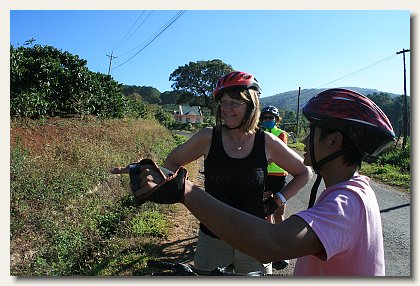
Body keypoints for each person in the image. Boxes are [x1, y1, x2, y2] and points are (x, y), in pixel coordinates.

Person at [113, 88, 395, 276]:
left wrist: (186, 190)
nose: (305, 140)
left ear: (333, 141)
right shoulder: (355, 191)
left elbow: (272, 244)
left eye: (312, 132)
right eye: (223, 103)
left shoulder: (344, 204)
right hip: (214, 239)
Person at [159, 71, 311, 274]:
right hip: (212, 238)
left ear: (251, 105)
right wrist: (169, 184)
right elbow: (171, 163)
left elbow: (304, 172)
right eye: (223, 103)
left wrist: (276, 201)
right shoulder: (208, 137)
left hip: (256, 238)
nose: (226, 109)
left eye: (235, 103)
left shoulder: (266, 142)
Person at [259, 105, 290, 269]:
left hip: (279, 177)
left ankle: (282, 245)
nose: (267, 120)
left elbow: (279, 154)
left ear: (276, 119)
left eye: (271, 118)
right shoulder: (259, 134)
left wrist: (261, 163)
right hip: (264, 177)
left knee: (279, 212)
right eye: (264, 118)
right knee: (265, 209)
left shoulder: (281, 134)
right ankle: (269, 240)